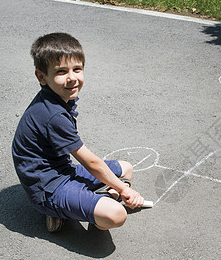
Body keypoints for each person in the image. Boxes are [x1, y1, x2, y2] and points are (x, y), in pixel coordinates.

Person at [12, 32, 144, 232]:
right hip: (48, 189)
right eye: (61, 72)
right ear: (42, 76)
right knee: (116, 215)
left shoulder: (58, 96)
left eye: (77, 69)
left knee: (126, 167)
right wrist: (123, 188)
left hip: (63, 170)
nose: (72, 78)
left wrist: (118, 186)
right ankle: (58, 210)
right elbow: (90, 162)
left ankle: (89, 201)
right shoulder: (52, 115)